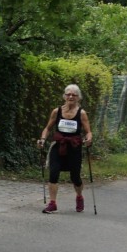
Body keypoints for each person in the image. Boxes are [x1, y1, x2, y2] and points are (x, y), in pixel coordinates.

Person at [37, 83, 93, 213]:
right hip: (58, 146)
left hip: (74, 147)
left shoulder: (81, 113)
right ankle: (53, 203)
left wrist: (89, 139)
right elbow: (47, 128)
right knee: (53, 173)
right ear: (64, 96)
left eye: (74, 95)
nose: (71, 97)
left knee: (75, 177)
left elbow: (88, 132)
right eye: (68, 94)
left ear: (78, 97)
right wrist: (43, 139)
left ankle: (79, 196)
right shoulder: (56, 111)